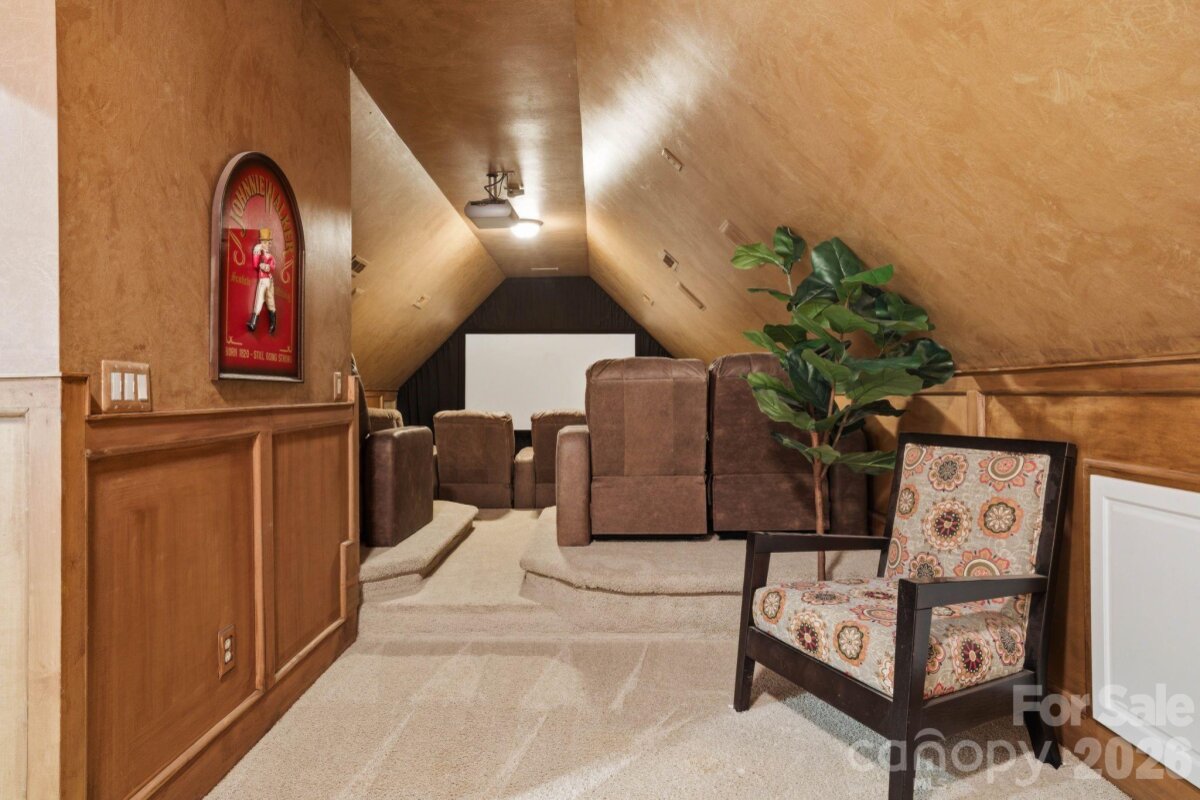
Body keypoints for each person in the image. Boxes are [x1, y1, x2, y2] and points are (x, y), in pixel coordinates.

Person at [247, 228, 277, 334]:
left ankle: (273, 324)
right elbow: (255, 265)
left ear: (270, 243)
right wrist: (256, 251)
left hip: (269, 281)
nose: (264, 244)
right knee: (259, 300)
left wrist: (266, 267)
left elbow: (272, 266)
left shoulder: (271, 257)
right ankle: (253, 322)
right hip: (263, 280)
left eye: (266, 242)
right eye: (263, 242)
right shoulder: (260, 254)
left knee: (270, 302)